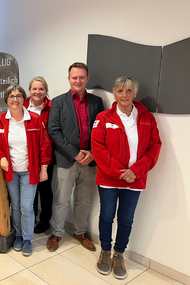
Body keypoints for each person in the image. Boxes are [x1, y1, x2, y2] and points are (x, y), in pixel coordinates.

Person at [91, 76, 161, 279]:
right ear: (115, 94)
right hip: (109, 179)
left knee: (126, 219)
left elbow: (154, 147)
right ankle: (105, 251)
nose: (124, 95)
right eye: (120, 91)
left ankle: (119, 254)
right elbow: (98, 148)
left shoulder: (147, 118)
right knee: (106, 216)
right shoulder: (103, 118)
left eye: (129, 91)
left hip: (135, 180)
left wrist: (135, 171)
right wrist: (120, 172)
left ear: (135, 94)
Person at [47, 62, 104, 252]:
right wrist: (75, 153)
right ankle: (56, 233)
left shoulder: (96, 102)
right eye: (74, 77)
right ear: (69, 79)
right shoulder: (58, 101)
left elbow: (101, 130)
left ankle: (80, 232)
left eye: (81, 77)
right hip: (66, 160)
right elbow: (53, 131)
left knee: (84, 200)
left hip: (89, 161)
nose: (78, 81)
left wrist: (92, 153)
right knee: (61, 199)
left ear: (87, 78)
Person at [0, 84, 51, 257]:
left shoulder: (34, 119)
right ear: (6, 100)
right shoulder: (1, 120)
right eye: (11, 96)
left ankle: (27, 239)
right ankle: (17, 235)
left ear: (23, 99)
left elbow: (44, 145)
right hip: (11, 172)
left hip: (28, 171)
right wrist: (1, 156)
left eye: (18, 96)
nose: (15, 99)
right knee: (15, 206)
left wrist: (44, 168)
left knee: (26, 207)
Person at [23, 76, 54, 234]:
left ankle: (45, 220)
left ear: (46, 91)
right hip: (25, 155)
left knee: (45, 189)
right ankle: (31, 217)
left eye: (41, 89)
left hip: (45, 156)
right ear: (30, 91)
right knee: (29, 188)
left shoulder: (53, 106)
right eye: (34, 89)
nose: (37, 92)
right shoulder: (22, 105)